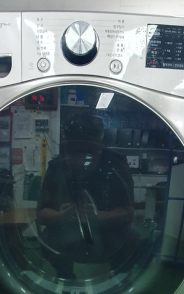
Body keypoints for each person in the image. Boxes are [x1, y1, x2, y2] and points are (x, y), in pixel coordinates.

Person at [36, 113, 140, 280]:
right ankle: (66, 276)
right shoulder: (56, 166)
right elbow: (41, 214)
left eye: (87, 152)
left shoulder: (115, 163)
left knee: (132, 239)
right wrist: (61, 217)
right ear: (65, 147)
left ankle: (120, 280)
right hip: (67, 231)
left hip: (108, 233)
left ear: (100, 146)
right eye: (72, 152)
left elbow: (128, 213)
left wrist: (98, 217)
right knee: (47, 239)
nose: (80, 160)